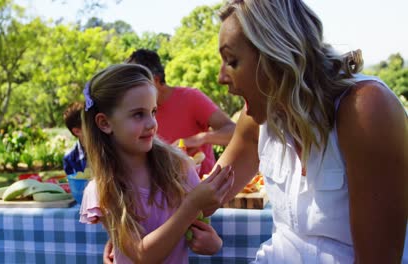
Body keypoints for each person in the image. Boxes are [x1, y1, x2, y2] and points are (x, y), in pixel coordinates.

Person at [210, 0, 407, 263]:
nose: (221, 77)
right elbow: (205, 195)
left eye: (232, 61)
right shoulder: (257, 117)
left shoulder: (366, 109)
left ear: (275, 56)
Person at [78, 63, 234, 263]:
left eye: (153, 111)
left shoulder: (178, 167)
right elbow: (143, 255)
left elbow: (197, 224)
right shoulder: (102, 189)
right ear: (105, 123)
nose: (152, 123)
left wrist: (211, 242)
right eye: (138, 114)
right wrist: (191, 204)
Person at [126, 49, 236, 177]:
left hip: (205, 188)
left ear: (155, 80)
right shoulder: (133, 113)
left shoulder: (191, 97)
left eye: (136, 85)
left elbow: (235, 132)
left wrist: (201, 139)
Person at [63, 101, 87, 175]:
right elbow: (74, 184)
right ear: (77, 131)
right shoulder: (70, 158)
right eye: (90, 124)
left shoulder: (108, 148)